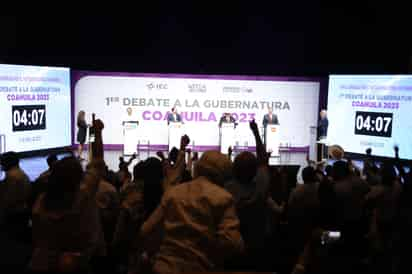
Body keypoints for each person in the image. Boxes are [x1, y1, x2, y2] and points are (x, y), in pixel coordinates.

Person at [139, 150, 244, 273]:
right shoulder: (223, 198)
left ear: (198, 167)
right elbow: (232, 243)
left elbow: (146, 230)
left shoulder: (173, 193)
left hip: (164, 268)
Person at [30, 157, 104, 273]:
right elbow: (97, 167)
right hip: (76, 264)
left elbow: (36, 234)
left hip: (44, 262)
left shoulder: (41, 200)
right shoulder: (84, 198)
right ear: (79, 178)